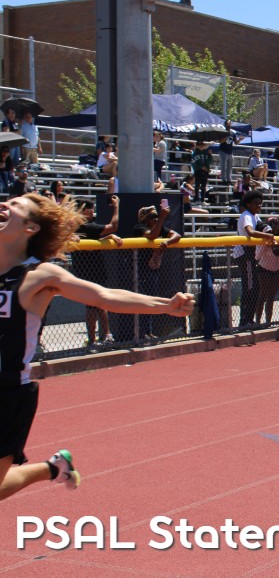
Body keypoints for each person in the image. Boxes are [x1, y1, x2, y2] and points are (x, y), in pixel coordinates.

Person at [0, 194, 194, 501]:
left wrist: (165, 305)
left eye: (16, 205)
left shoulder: (39, 275)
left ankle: (51, 468)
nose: (5, 205)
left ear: (31, 227)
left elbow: (104, 296)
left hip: (8, 393)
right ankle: (54, 467)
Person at [74, 196, 123, 352]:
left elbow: (96, 239)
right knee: (92, 307)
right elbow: (113, 226)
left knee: (100, 304)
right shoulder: (83, 225)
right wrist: (116, 206)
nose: (92, 212)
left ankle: (106, 336)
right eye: (90, 209)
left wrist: (108, 237)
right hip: (88, 272)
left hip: (92, 271)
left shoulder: (78, 226)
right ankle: (92, 340)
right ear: (85, 211)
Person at [133, 204, 183, 340]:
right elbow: (152, 235)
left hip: (152, 269)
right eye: (152, 217)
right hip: (139, 270)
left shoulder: (160, 227)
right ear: (144, 219)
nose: (155, 219)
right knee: (143, 301)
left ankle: (148, 332)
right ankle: (140, 334)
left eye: (156, 216)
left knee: (151, 300)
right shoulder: (139, 228)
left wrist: (167, 242)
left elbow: (177, 235)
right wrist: (161, 218)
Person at [233, 190, 274, 328]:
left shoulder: (255, 216)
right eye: (256, 203)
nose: (259, 206)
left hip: (251, 254)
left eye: (260, 203)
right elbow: (250, 231)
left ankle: (249, 319)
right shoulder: (246, 215)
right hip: (244, 254)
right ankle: (245, 320)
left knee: (254, 287)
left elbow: (264, 227)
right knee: (250, 287)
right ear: (248, 204)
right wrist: (267, 236)